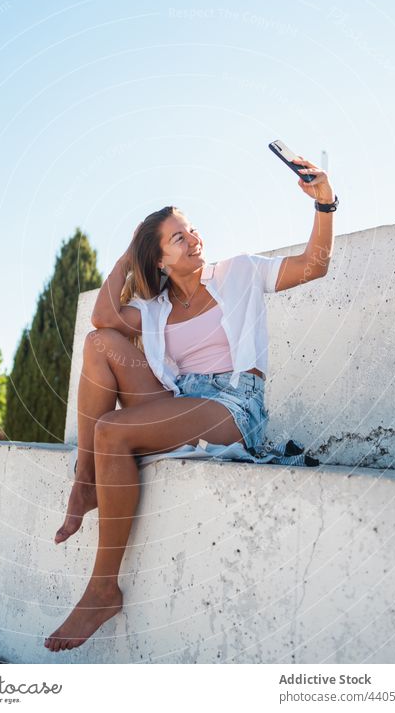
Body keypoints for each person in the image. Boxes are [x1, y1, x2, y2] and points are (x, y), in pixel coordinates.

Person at [44, 155, 337, 652]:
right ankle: (85, 483)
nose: (194, 238)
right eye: (179, 237)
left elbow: (315, 265)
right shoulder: (154, 310)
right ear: (159, 260)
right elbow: (103, 317)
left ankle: (101, 586)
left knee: (111, 430)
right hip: (178, 401)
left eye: (193, 230)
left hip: (231, 406)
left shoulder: (239, 273)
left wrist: (325, 201)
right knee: (99, 345)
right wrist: (127, 252)